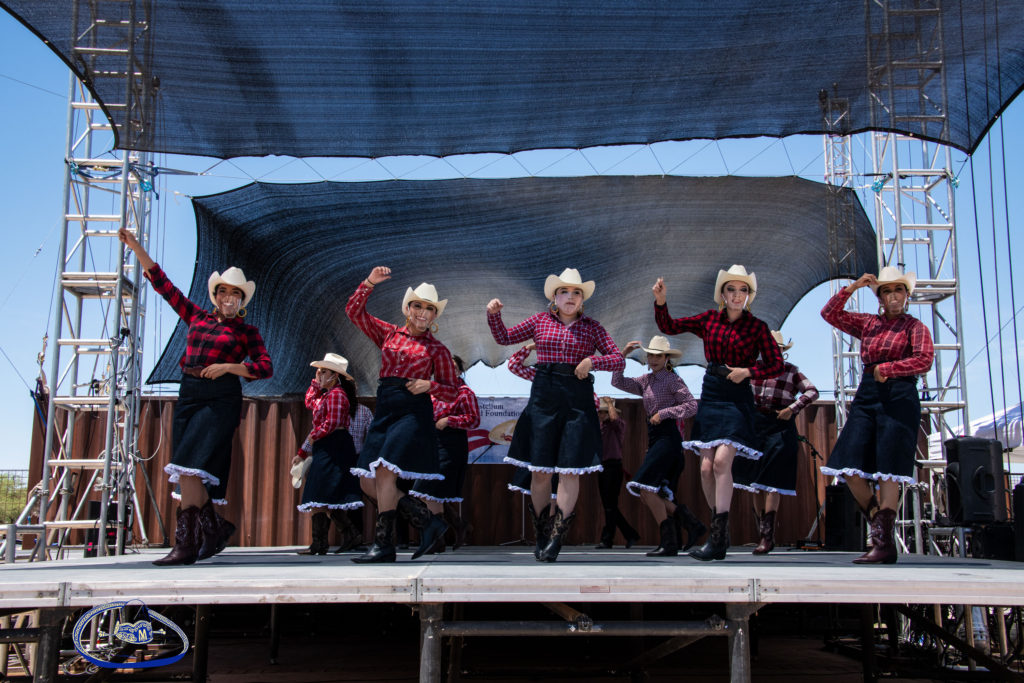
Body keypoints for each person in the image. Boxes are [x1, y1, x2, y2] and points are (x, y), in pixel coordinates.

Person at [118, 227, 273, 566]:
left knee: (190, 467)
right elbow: (162, 283)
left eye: (236, 294)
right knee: (189, 469)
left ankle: (187, 544)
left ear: (242, 301)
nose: (229, 298)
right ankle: (213, 529)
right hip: (188, 393)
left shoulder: (247, 331)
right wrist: (136, 246)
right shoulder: (196, 316)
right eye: (224, 293)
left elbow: (264, 367)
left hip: (221, 398)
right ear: (216, 295)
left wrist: (229, 367)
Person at [487, 267, 624, 562]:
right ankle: (541, 532)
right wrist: (494, 315)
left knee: (569, 470)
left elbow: (617, 358)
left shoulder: (593, 327)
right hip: (544, 396)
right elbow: (504, 337)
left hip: (577, 399)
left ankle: (556, 537)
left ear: (582, 299)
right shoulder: (539, 321)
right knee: (539, 472)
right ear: (554, 297)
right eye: (564, 292)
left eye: (576, 292)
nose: (570, 297)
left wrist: (591, 361)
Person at [653, 265, 783, 561]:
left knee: (723, 461)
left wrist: (748, 371)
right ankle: (717, 534)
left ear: (749, 295)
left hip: (738, 395)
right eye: (732, 289)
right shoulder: (709, 319)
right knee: (706, 468)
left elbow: (776, 365)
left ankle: (718, 537)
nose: (738, 295)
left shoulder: (758, 327)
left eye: (743, 290)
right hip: (712, 391)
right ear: (722, 294)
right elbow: (670, 327)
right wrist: (661, 302)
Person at [820, 266, 933, 564]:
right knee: (846, 466)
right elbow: (829, 314)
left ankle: (882, 544)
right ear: (879, 297)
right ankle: (878, 523)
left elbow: (924, 359)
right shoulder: (868, 323)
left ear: (906, 295)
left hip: (900, 395)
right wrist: (853, 287)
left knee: (889, 469)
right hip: (868, 393)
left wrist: (890, 369)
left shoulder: (915, 327)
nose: (892, 295)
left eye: (898, 290)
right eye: (886, 291)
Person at [345, 266, 458, 563]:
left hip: (412, 411)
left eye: (429, 309)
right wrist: (369, 283)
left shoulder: (438, 350)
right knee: (367, 481)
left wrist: (429, 385)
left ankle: (384, 545)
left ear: (435, 316)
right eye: (417, 305)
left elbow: (453, 391)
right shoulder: (387, 333)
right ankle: (428, 522)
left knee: (384, 473)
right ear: (407, 309)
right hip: (385, 408)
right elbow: (354, 313)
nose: (422, 312)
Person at [612, 336, 703, 556]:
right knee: (649, 493)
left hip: (669, 438)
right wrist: (622, 355)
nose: (653, 359)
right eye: (650, 355)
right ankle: (688, 527)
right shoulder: (645, 381)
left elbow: (691, 406)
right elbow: (617, 382)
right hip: (655, 440)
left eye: (658, 355)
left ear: (666, 358)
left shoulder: (672, 380)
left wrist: (664, 413)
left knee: (644, 488)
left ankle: (676, 537)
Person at [733, 331, 819, 555]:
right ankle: (760, 530)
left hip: (780, 423)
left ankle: (767, 536)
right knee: (754, 481)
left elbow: (812, 391)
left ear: (783, 351)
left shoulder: (792, 371)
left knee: (773, 481)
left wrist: (792, 409)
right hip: (754, 425)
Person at [292, 353, 364, 555]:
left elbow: (332, 423)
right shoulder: (326, 395)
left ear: (335, 375)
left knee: (321, 491)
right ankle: (338, 538)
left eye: (324, 372)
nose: (320, 375)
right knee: (323, 493)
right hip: (327, 446)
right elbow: (309, 402)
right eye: (319, 371)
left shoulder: (337, 395)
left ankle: (325, 541)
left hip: (334, 445)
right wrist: (315, 383)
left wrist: (313, 438)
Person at [409, 356, 480, 553]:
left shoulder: (464, 393)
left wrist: (449, 420)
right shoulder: (432, 393)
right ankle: (444, 535)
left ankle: (448, 530)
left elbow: (474, 420)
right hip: (432, 444)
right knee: (432, 493)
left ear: (458, 371)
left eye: (452, 368)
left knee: (427, 488)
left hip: (451, 444)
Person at [593, 397, 641, 549]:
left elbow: (614, 418)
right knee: (609, 505)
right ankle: (628, 534)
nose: (601, 414)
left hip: (613, 466)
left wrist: (609, 404)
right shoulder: (601, 427)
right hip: (603, 466)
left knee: (610, 505)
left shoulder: (617, 425)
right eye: (600, 412)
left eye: (604, 412)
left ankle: (609, 538)